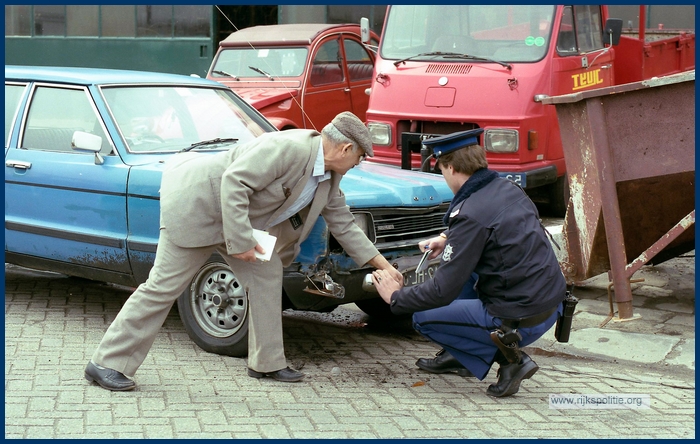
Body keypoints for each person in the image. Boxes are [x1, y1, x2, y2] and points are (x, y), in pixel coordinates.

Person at [85, 111, 403, 391]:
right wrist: (242, 243)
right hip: (198, 209)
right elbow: (234, 181)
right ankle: (107, 363)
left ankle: (266, 362)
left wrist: (383, 266)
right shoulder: (287, 148)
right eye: (361, 156)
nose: (360, 163)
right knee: (162, 287)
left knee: (267, 275)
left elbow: (344, 225)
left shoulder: (330, 177)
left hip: (238, 222)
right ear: (346, 148)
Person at [372, 128, 567, 398]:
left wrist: (396, 297)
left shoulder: (471, 213)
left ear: (450, 167)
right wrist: (448, 237)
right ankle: (460, 354)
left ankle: (512, 361)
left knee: (422, 317)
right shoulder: (506, 187)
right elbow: (495, 229)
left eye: (441, 170)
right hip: (550, 306)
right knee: (466, 277)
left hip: (519, 321)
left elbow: (443, 290)